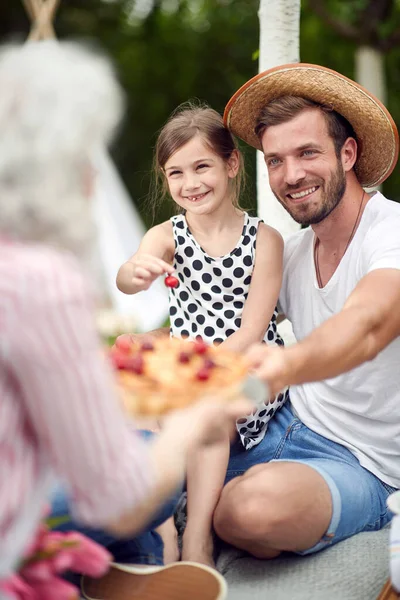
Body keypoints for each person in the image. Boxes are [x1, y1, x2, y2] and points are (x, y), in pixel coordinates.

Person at [0, 40, 253, 599]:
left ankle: (130, 571)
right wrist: (195, 414)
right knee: (147, 475)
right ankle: (132, 568)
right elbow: (113, 491)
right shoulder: (39, 278)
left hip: (216, 355)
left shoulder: (262, 239)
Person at [208, 63, 400, 559]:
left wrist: (279, 369)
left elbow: (368, 325)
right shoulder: (290, 254)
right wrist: (148, 354)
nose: (291, 176)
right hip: (282, 421)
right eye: (275, 161)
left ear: (349, 153)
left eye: (307, 152)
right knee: (136, 448)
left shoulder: (391, 234)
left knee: (247, 510)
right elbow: (220, 317)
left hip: (366, 465)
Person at [116, 104, 287, 566]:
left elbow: (253, 330)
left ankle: (198, 539)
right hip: (185, 365)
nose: (190, 183)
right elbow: (127, 276)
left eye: (201, 166)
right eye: (176, 173)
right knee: (135, 402)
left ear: (231, 165)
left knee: (205, 410)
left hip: (244, 370)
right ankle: (162, 532)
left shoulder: (265, 240)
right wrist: (137, 270)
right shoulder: (168, 234)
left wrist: (197, 373)